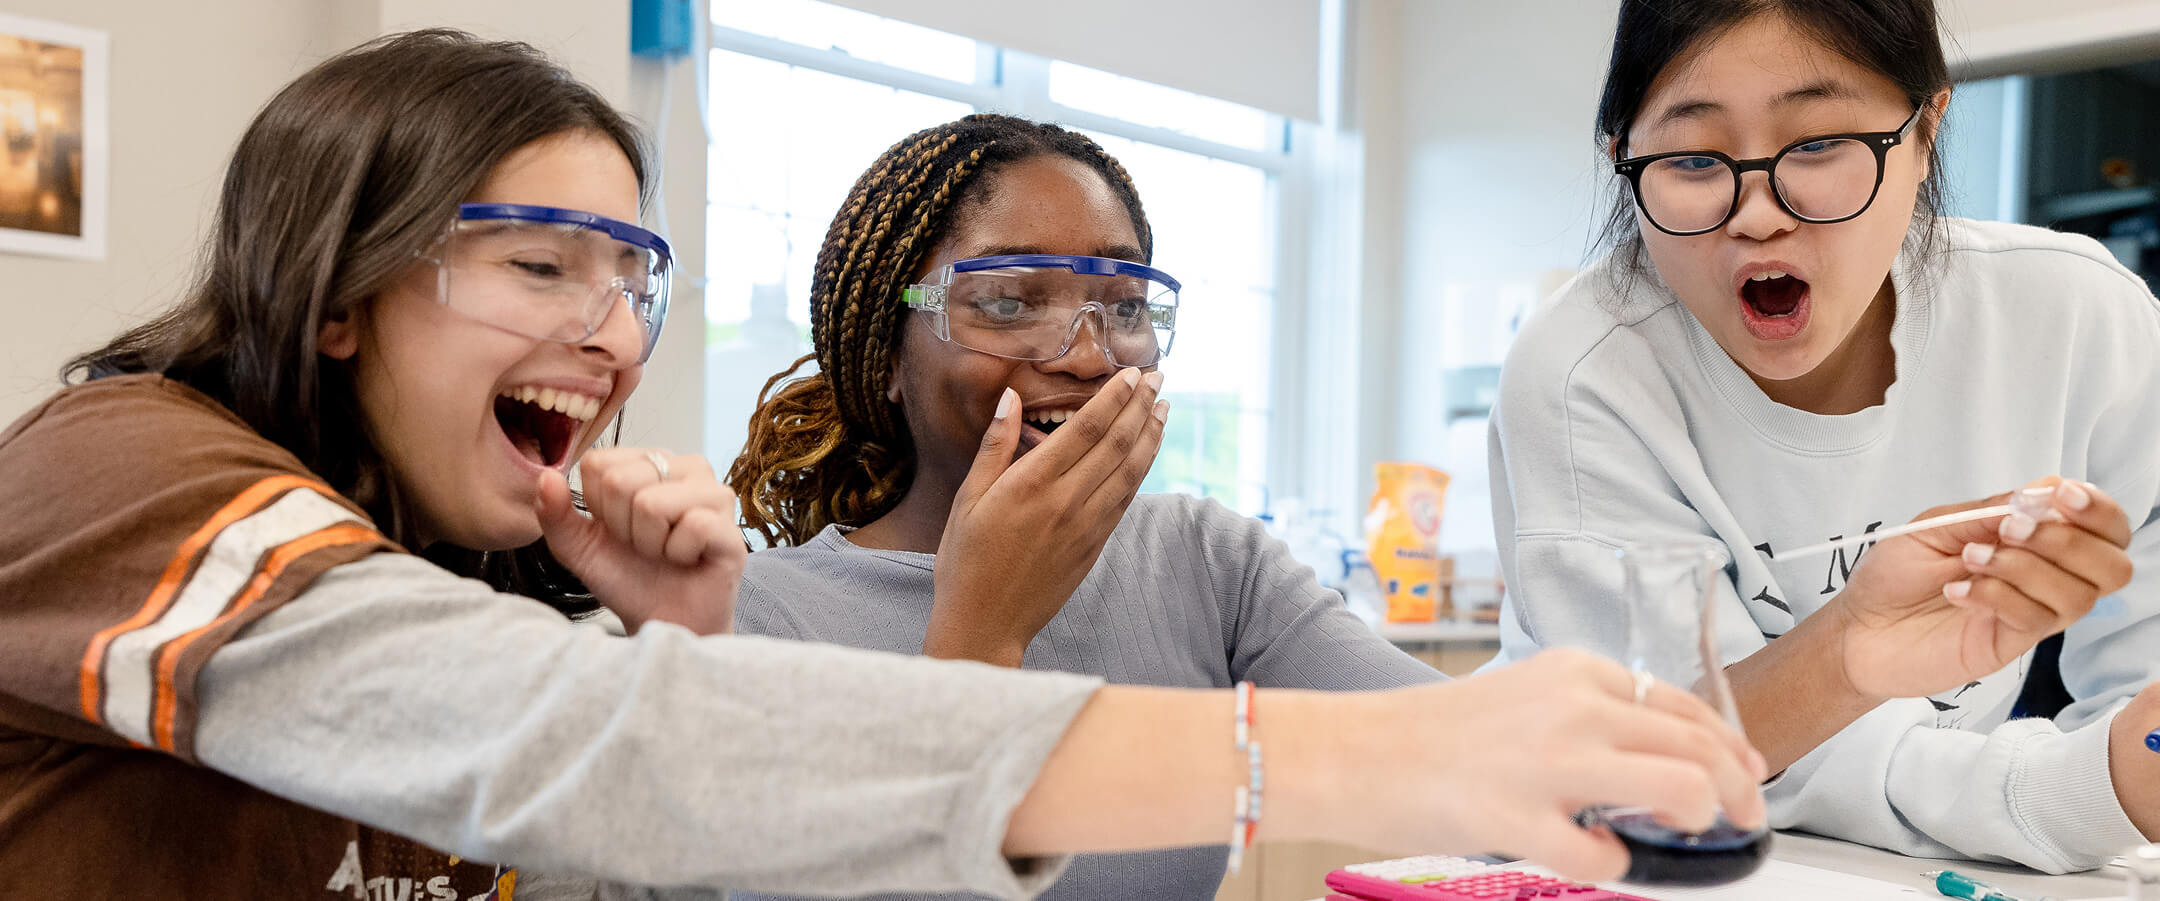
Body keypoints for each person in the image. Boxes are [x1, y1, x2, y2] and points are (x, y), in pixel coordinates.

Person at [0, 29, 1768, 900]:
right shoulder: (128, 473)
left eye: (633, 281)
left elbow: (596, 814)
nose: (613, 337)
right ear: (336, 292)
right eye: (543, 264)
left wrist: (679, 648)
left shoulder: (496, 559)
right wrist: (1362, 748)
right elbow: (566, 739)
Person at [1486, 0, 2159, 874]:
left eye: (1817, 147)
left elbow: (2141, 707)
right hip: (1627, 867)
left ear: (1926, 131)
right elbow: (1671, 757)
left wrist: (2114, 778)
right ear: (1623, 158)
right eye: (1693, 158)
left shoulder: (2075, 318)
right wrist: (2077, 789)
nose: (1758, 214)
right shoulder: (1585, 374)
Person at [726, 113, 1440, 900]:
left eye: (1126, 307)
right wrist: (984, 632)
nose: (1091, 356)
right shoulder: (761, 619)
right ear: (887, 353)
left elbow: (1458, 752)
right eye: (1007, 303)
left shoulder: (1207, 562)